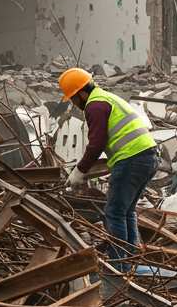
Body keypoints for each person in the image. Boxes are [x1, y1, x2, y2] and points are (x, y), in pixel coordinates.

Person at [60, 68, 158, 264]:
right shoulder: (107, 98)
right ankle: (131, 259)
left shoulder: (95, 106)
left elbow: (96, 143)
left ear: (81, 93)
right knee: (126, 210)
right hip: (148, 157)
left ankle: (118, 266)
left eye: (72, 99)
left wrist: (80, 170)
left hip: (131, 159)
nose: (73, 104)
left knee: (113, 212)